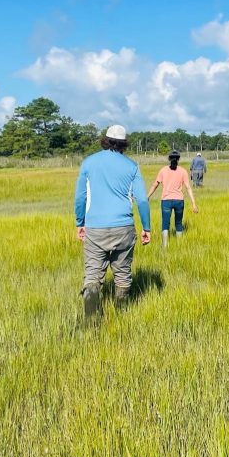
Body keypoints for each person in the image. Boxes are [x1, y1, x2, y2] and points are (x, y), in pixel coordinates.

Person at [74, 124, 151, 318]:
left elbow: (80, 198)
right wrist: (146, 227)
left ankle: (91, 322)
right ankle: (121, 316)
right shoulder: (132, 166)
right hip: (124, 228)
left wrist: (80, 223)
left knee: (92, 275)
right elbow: (141, 199)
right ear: (124, 143)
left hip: (95, 228)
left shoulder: (89, 163)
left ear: (105, 140)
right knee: (123, 274)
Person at [147, 150, 198, 247]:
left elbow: (155, 185)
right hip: (179, 201)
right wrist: (194, 203)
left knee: (165, 223)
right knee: (178, 223)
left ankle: (165, 246)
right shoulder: (183, 171)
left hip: (166, 201)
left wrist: (147, 197)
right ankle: (179, 246)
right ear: (178, 159)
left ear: (169, 159)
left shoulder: (163, 170)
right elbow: (188, 187)